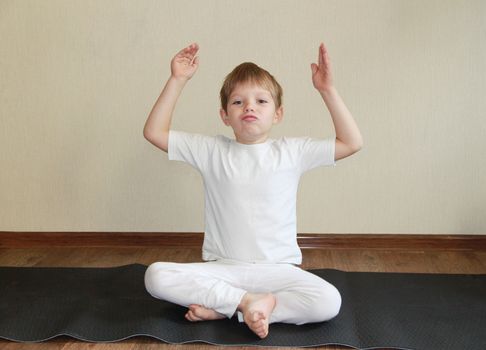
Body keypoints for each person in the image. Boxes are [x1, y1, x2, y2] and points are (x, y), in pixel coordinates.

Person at [143, 42, 363, 339]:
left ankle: (228, 308)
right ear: (224, 116)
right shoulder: (211, 151)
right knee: (155, 276)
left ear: (277, 114)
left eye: (261, 101)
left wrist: (327, 89)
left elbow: (351, 142)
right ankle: (246, 304)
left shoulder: (291, 152)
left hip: (277, 271)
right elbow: (154, 132)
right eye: (238, 102)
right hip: (225, 269)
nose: (249, 107)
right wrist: (177, 79)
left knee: (329, 301)